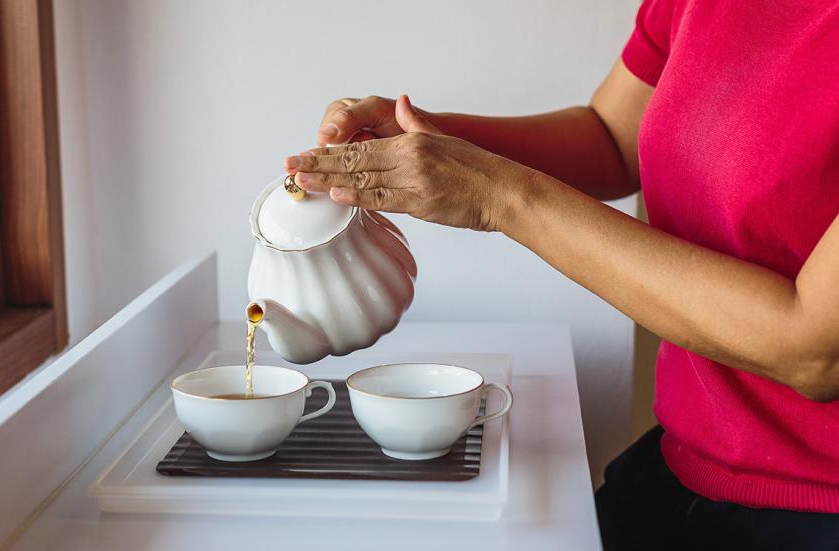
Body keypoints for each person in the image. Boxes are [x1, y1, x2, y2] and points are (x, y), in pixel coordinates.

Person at [283, 1, 839, 549]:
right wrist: (428, 147)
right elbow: (611, 135)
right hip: (683, 468)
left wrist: (498, 196)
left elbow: (810, 349)